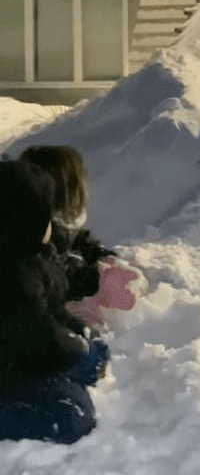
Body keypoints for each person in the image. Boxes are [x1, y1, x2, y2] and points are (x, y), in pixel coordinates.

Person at [0, 160, 109, 444]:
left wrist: (81, 336)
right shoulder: (12, 279)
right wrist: (77, 351)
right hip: (12, 363)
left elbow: (50, 306)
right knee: (71, 416)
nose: (52, 222)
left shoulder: (29, 249)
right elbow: (41, 340)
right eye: (45, 214)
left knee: (95, 351)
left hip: (23, 348)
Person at [19, 145, 144, 329]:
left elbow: (77, 239)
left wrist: (100, 255)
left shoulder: (54, 223)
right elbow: (45, 273)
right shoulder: (25, 231)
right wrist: (88, 277)